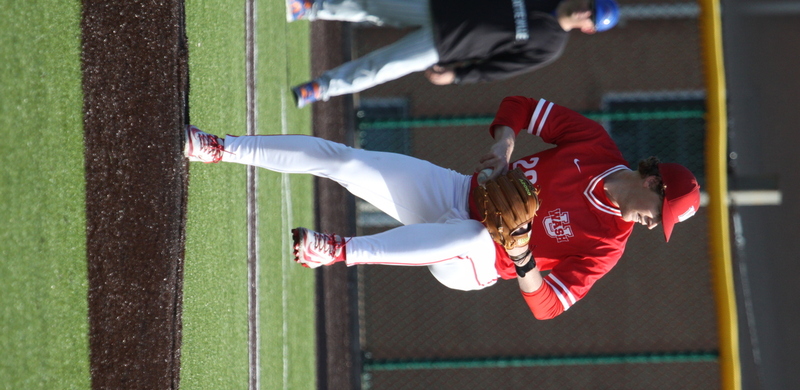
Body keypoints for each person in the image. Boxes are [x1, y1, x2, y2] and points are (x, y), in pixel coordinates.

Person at [184, 95, 701, 319]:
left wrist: (522, 260)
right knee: (345, 161)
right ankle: (218, 147)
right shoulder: (594, 145)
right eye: (663, 209)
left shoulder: (608, 248)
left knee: (478, 238)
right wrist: (503, 146)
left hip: (473, 263)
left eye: (664, 223)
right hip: (456, 193)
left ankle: (337, 251)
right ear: (653, 178)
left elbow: (547, 307)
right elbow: (517, 107)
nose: (656, 223)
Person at [288, 0, 620, 107]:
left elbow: (499, 68)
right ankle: (308, 6)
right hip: (440, 5)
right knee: (369, 4)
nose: (585, 12)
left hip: (447, 44)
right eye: (591, 5)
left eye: (592, 17)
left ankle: (320, 88)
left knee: (381, 68)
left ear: (589, 29)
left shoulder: (551, 46)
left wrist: (457, 74)